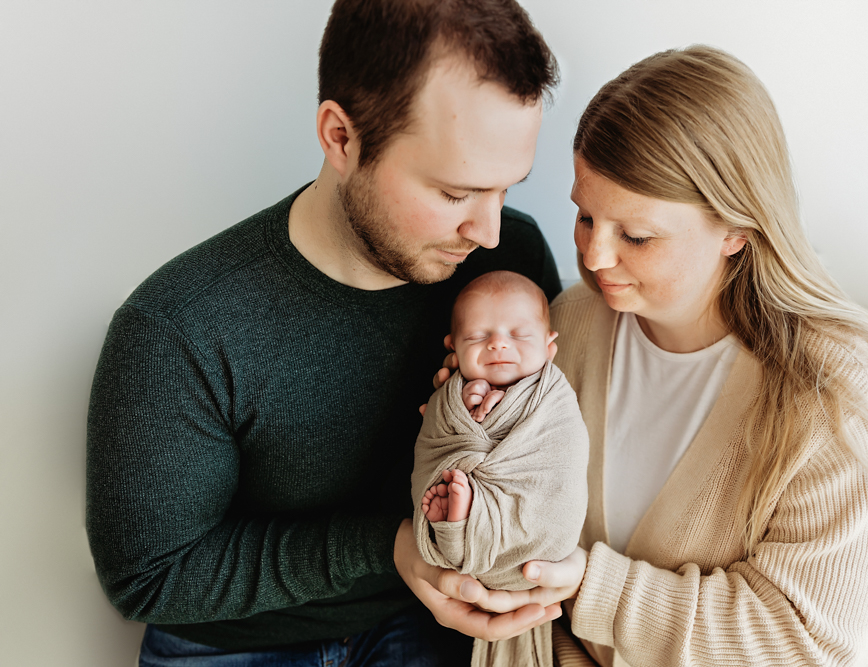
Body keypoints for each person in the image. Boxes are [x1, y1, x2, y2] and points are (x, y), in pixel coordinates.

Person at [85, 1, 565, 664]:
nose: (486, 231)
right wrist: (395, 548)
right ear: (341, 137)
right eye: (456, 194)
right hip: (238, 639)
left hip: (436, 621)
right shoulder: (179, 327)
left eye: (506, 190)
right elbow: (149, 573)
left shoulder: (509, 270)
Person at [438, 46, 868, 667]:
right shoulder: (571, 328)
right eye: (585, 216)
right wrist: (460, 424)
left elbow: (808, 642)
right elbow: (504, 529)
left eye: (636, 235)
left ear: (737, 230)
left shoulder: (833, 390)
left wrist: (589, 586)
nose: (596, 256)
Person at [412, 270, 589, 667]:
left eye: (519, 335)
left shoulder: (551, 396)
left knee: (463, 496)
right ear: (453, 349)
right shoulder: (454, 388)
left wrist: (500, 410)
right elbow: (437, 442)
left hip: (534, 521)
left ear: (550, 346)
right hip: (466, 504)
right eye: (477, 337)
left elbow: (562, 456)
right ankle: (457, 522)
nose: (498, 343)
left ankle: (460, 520)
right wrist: (460, 404)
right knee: (448, 485)